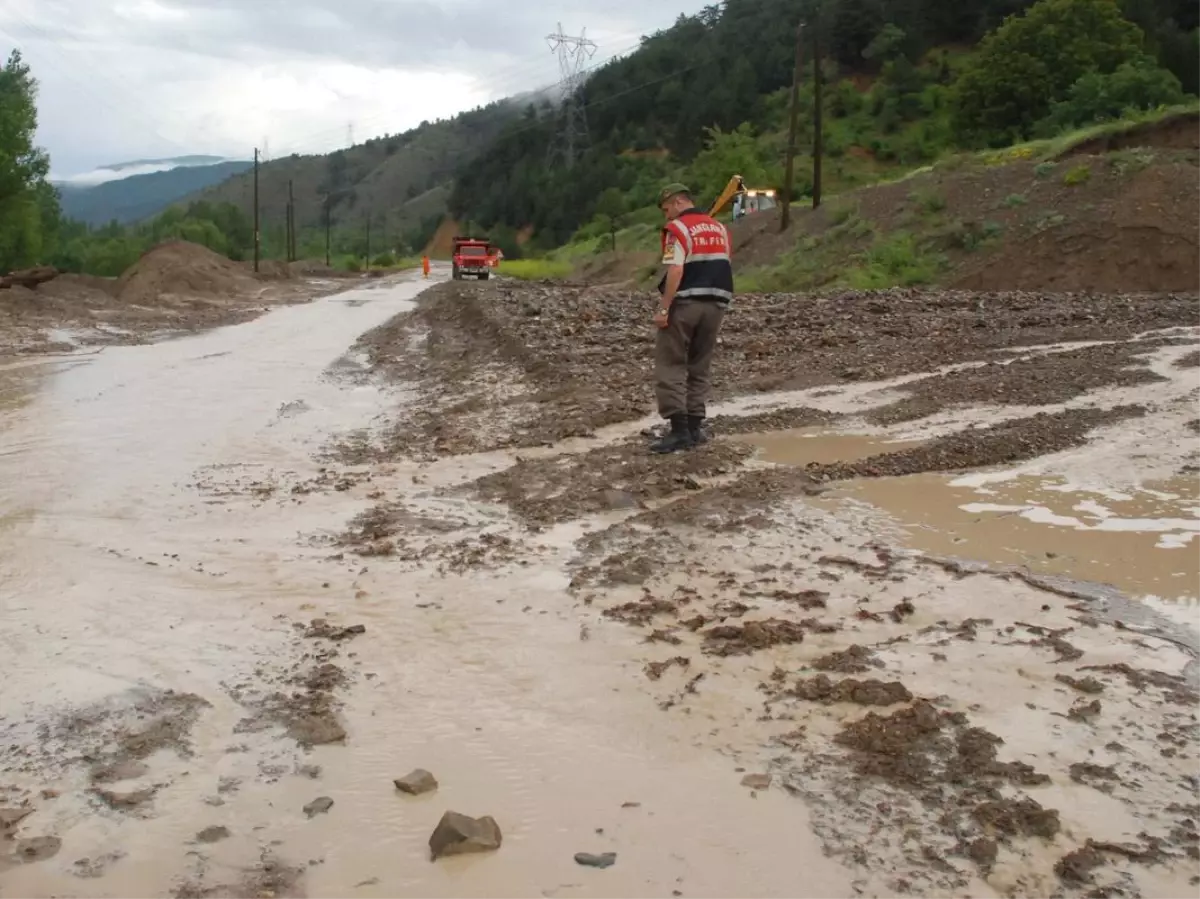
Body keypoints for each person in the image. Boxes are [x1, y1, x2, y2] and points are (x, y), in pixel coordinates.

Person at [650, 182, 734, 454]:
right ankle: (696, 428)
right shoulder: (719, 228)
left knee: (671, 364)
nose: (666, 216)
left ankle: (679, 431)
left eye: (666, 209)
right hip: (717, 303)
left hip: (686, 303)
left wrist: (664, 308)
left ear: (677, 202)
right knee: (700, 364)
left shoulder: (677, 230)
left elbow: (675, 270)